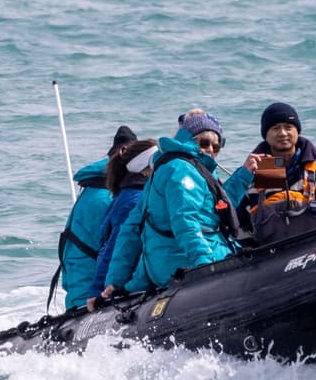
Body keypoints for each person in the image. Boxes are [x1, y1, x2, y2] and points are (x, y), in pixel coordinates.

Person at [99, 110, 238, 299]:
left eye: (216, 146)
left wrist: (115, 282)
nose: (210, 150)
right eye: (204, 143)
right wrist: (206, 265)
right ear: (188, 140)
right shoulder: (182, 170)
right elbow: (185, 222)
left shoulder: (166, 170)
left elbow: (130, 230)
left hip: (159, 267)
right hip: (185, 264)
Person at [223, 101, 316, 244]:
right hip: (268, 255)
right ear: (265, 135)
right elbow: (236, 224)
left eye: (288, 127)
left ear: (297, 131)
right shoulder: (252, 174)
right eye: (275, 128)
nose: (283, 133)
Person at [52, 128, 125, 308]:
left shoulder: (91, 193)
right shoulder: (108, 199)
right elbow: (121, 249)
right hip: (92, 295)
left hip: (77, 291)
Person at [86, 129, 158, 306]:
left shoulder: (125, 195)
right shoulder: (134, 200)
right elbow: (115, 247)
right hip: (132, 284)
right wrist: (98, 291)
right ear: (144, 170)